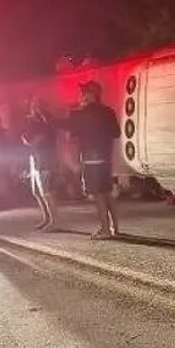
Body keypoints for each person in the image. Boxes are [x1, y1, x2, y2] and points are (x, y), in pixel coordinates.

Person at [64, 80, 121, 239]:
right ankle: (115, 227)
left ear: (90, 95)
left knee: (98, 194)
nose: (80, 96)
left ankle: (105, 229)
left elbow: (70, 130)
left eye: (83, 93)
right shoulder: (108, 111)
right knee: (107, 192)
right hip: (105, 157)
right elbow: (116, 133)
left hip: (90, 158)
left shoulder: (82, 113)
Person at [22, 97, 58, 230]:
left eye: (36, 104)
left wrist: (33, 140)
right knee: (36, 191)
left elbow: (45, 137)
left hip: (45, 158)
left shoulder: (46, 119)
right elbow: (26, 137)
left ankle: (54, 221)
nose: (33, 107)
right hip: (34, 158)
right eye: (32, 104)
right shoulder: (31, 120)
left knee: (45, 191)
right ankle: (46, 218)